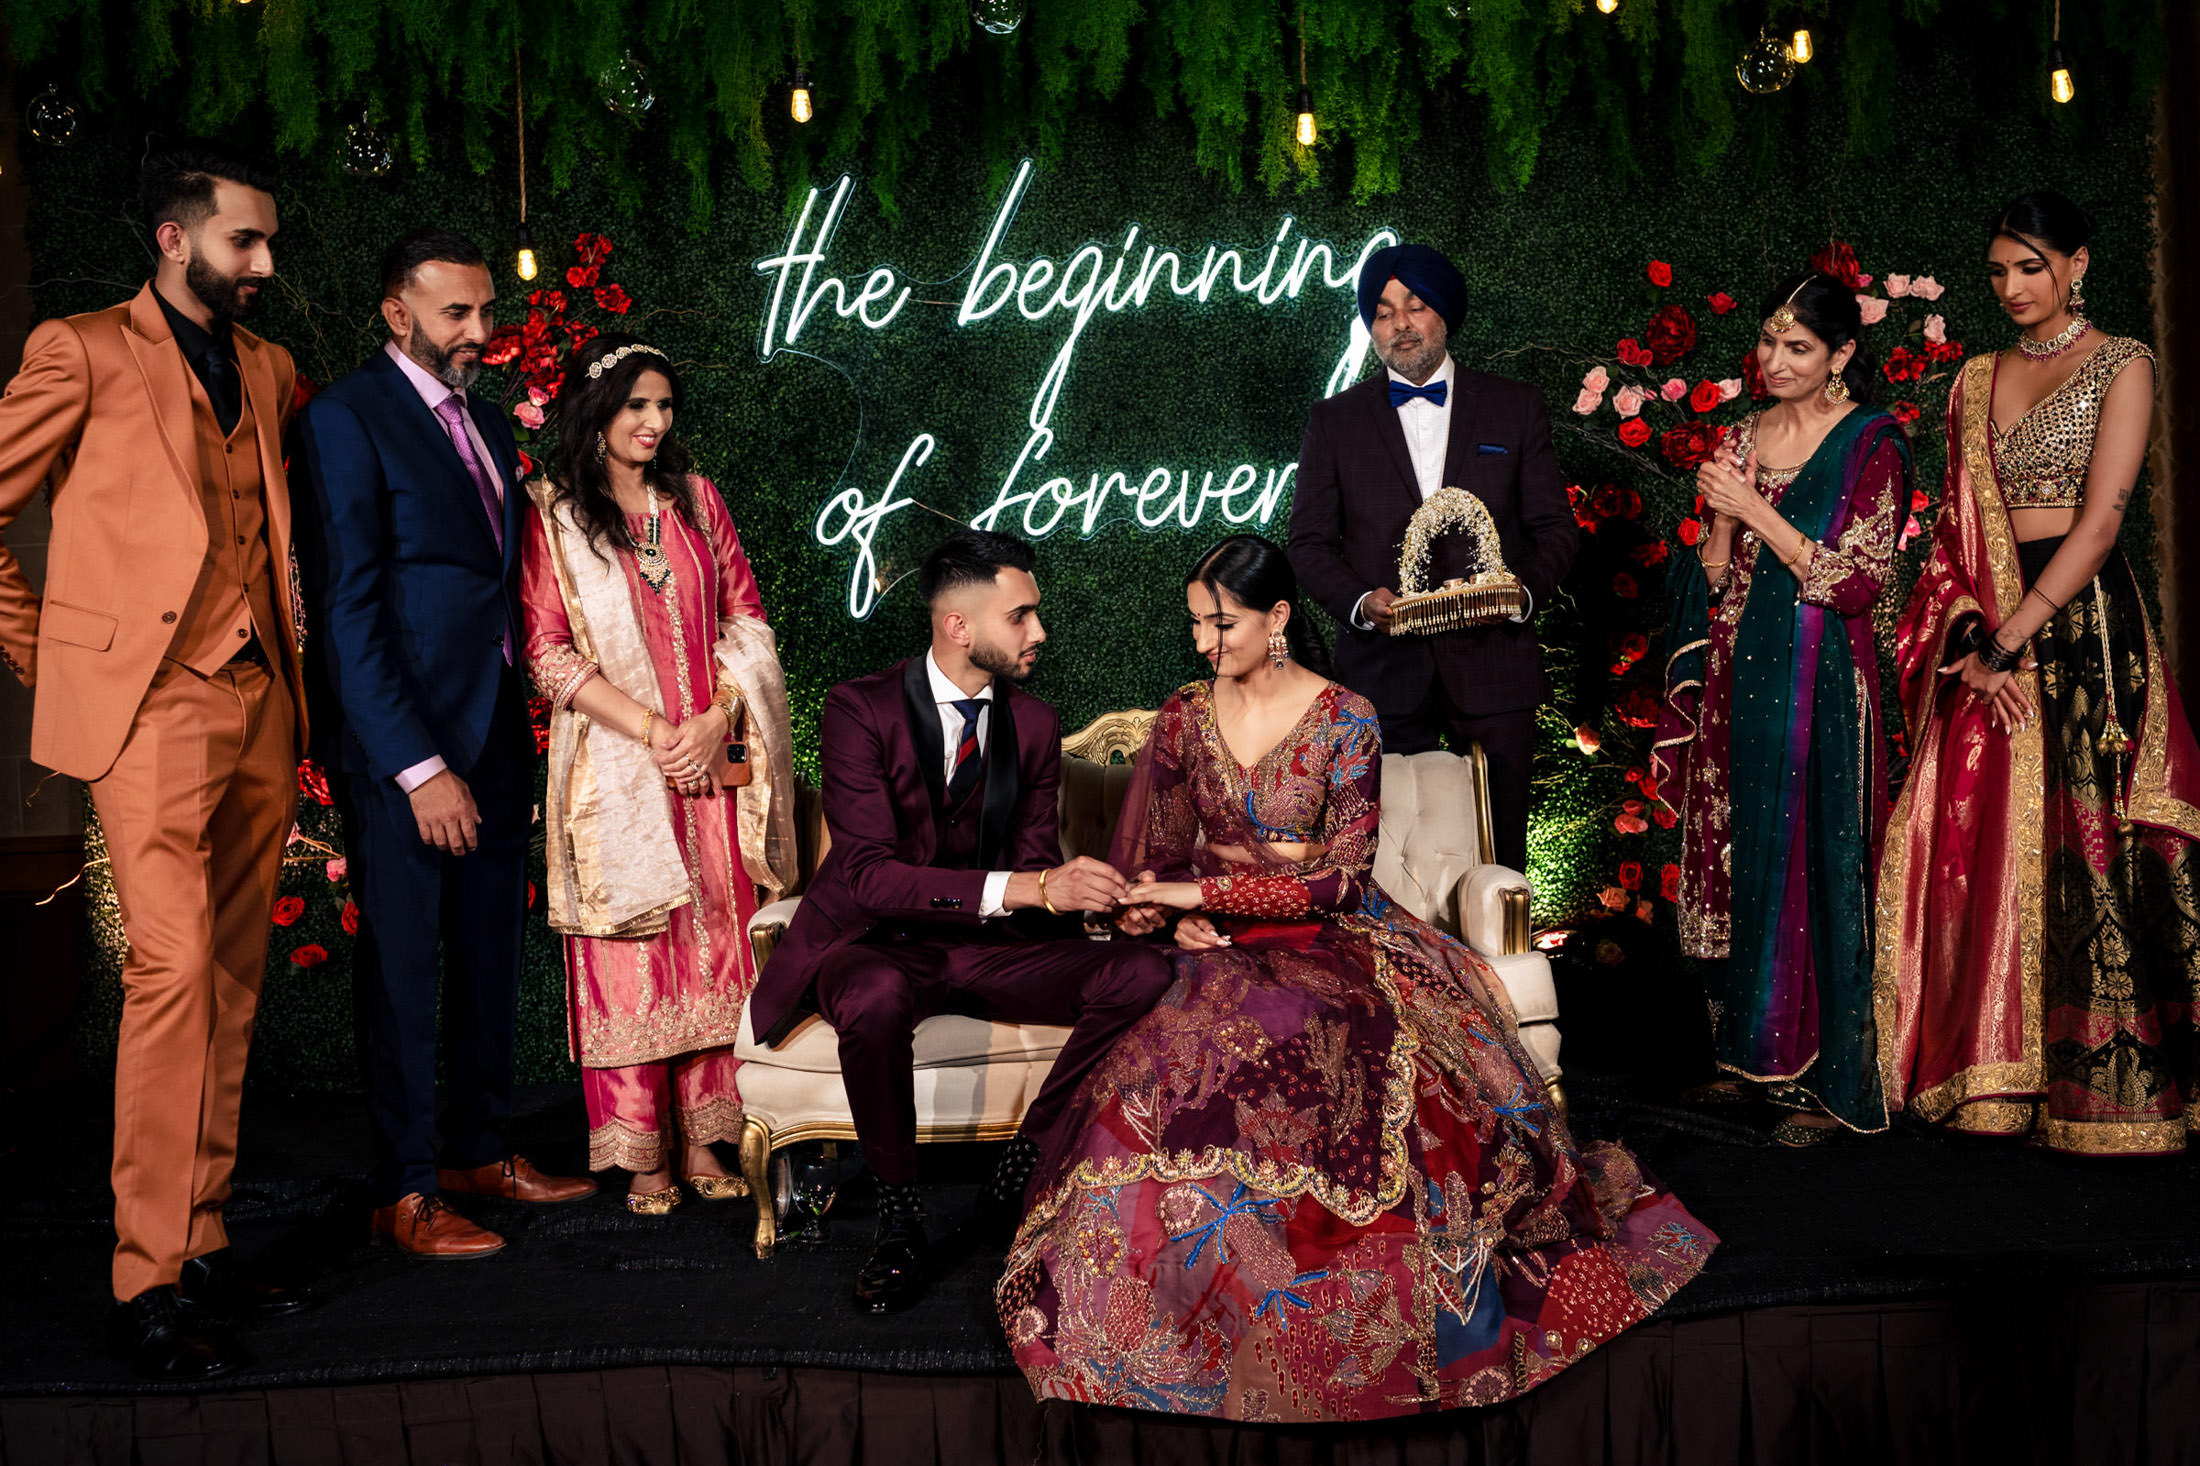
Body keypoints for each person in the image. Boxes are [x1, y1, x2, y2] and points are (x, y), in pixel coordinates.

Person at [998, 534, 1714, 1423]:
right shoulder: (1184, 715)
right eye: (1195, 624)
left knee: (1322, 1038)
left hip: (1331, 936)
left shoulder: (1348, 717)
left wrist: (1213, 884)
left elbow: (1339, 876)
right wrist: (1176, 907)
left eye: (1221, 623)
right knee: (1171, 1058)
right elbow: (1160, 849)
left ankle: (1330, 1306)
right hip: (1215, 942)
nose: (1204, 642)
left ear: (1280, 619)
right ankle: (1174, 1317)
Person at [0, 143, 311, 1379]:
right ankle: (145, 1275)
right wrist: (55, 656)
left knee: (233, 975)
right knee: (172, 972)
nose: (266, 264)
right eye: (247, 241)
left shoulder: (269, 365)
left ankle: (203, 1231)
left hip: (263, 699)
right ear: (176, 240)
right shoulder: (78, 350)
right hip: (150, 710)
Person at [749, 529, 1175, 1314]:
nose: (1039, 633)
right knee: (874, 998)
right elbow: (872, 877)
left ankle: (1023, 1165)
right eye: (1021, 616)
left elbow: (1035, 863)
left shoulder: (1038, 726)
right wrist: (1032, 886)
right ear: (958, 626)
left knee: (1146, 972)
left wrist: (1107, 902)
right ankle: (901, 1220)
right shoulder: (857, 709)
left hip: (987, 952)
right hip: (874, 944)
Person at [294, 228, 594, 1259]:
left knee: (485, 959)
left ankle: (477, 1147)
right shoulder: (346, 417)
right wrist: (417, 765)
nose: (478, 331)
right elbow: (349, 608)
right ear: (397, 314)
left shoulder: (487, 423)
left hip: (497, 725)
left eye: (484, 311)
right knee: (402, 969)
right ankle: (405, 1187)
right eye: (455, 313)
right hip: (409, 749)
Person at [1879, 191, 2198, 1155]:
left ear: (2078, 265)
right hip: (1990, 628)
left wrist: (2011, 637)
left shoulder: (2122, 364)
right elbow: (1952, 526)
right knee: (1991, 833)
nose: (2014, 288)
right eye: (1999, 272)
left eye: (2033, 268)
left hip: (2081, 624)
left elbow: (2102, 521)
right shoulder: (1973, 379)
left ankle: (2111, 1092)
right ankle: (1992, 1072)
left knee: (2087, 834)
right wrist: (1974, 634)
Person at [520, 335, 798, 1213]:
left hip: (709, 761)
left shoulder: (696, 501)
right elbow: (546, 653)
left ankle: (709, 1136)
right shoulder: (554, 513)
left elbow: (748, 618)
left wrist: (715, 718)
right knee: (635, 947)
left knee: (714, 939)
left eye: (665, 406)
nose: (653, 422)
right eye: (636, 405)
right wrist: (655, 731)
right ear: (598, 409)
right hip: (617, 764)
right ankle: (642, 1152)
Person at [1651, 273, 1910, 1144]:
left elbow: (1858, 580)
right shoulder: (1743, 434)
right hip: (1743, 672)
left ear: (1841, 356)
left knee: (1817, 850)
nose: (1775, 362)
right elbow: (1720, 581)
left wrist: (1753, 506)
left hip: (1824, 681)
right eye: (1769, 344)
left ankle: (1828, 1076)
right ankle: (1752, 1058)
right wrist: (1720, 520)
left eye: (1799, 348)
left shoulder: (1872, 442)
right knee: (1747, 847)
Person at [1287, 243, 1578, 873]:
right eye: (1384, 312)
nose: (1400, 324)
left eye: (1415, 307)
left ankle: (1502, 971)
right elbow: (1308, 544)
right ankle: (1392, 971)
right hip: (1381, 672)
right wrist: (1363, 604)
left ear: (1443, 314)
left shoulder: (1514, 405)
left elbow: (1555, 528)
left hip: (1495, 665)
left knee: (1503, 856)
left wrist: (1516, 595)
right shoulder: (1333, 421)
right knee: (1382, 857)